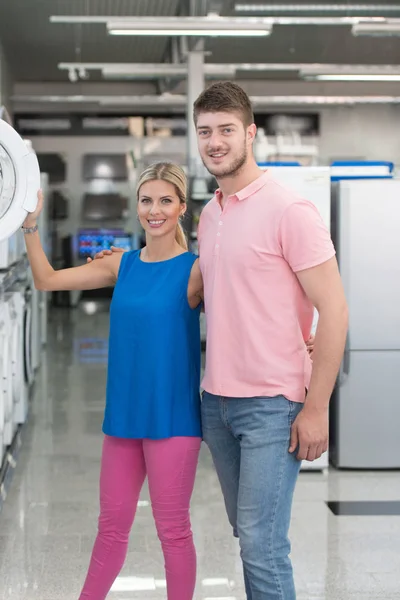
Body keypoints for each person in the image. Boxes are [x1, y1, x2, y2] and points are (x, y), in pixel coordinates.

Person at [98, 82, 348, 600]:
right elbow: (222, 298)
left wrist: (317, 406)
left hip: (272, 405)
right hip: (216, 404)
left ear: (250, 133)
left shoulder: (289, 210)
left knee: (261, 544)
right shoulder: (209, 217)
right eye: (205, 131)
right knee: (248, 534)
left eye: (226, 130)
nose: (215, 141)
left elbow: (336, 309)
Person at [23, 162, 204, 600]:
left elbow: (245, 307)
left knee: (173, 531)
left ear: (181, 207)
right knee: (110, 530)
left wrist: (301, 336)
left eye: (165, 201)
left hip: (173, 419)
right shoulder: (119, 265)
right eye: (146, 201)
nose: (154, 210)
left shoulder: (196, 270)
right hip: (122, 418)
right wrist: (30, 225)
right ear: (136, 206)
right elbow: (46, 280)